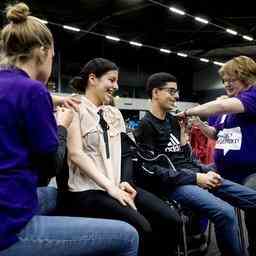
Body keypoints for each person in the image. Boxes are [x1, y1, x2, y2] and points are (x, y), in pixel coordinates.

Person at [0, 3, 139, 256]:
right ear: (43, 51)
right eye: (53, 55)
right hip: (9, 227)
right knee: (129, 237)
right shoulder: (35, 91)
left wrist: (56, 100)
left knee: (54, 196)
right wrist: (61, 126)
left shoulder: (12, 86)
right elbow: (49, 167)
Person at [63, 58, 182, 256]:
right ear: (93, 79)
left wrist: (125, 181)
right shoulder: (74, 108)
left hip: (117, 186)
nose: (116, 86)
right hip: (88, 190)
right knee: (142, 227)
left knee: (171, 220)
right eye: (111, 80)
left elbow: (126, 152)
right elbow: (76, 154)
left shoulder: (114, 114)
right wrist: (111, 188)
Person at [135, 72, 256, 256]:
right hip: (174, 184)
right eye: (171, 91)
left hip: (194, 175)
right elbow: (151, 169)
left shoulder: (173, 121)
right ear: (155, 92)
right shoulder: (146, 126)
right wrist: (196, 176)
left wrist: (200, 168)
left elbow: (184, 158)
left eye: (177, 92)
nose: (176, 96)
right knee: (226, 213)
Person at [177, 55, 256, 255]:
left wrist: (189, 111)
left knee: (252, 203)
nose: (226, 84)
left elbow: (221, 106)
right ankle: (197, 235)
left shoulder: (251, 96)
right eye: (224, 80)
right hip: (221, 169)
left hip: (251, 171)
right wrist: (200, 124)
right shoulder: (229, 105)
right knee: (192, 185)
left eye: (232, 79)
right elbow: (215, 134)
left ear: (246, 78)